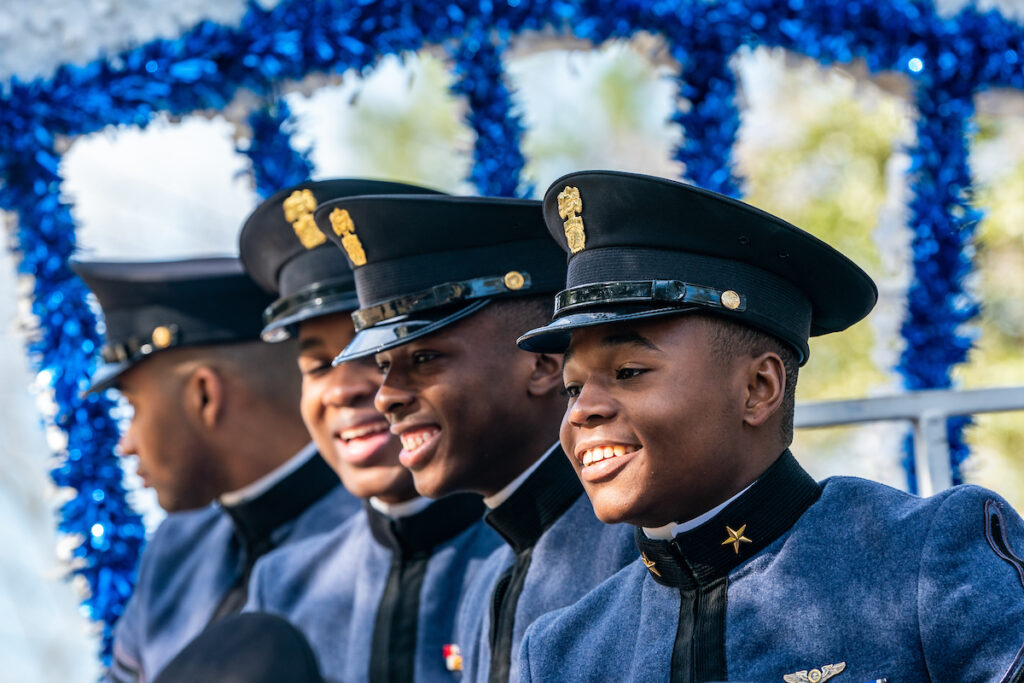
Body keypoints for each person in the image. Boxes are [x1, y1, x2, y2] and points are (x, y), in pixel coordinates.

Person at [514, 169, 1024, 682]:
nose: (581, 411)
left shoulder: (922, 558)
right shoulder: (562, 654)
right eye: (573, 388)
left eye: (628, 372)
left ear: (759, 388)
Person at [313, 193, 638, 682]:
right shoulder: (489, 577)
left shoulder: (637, 552)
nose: (386, 398)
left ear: (543, 365)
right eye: (384, 367)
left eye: (423, 360)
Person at [239, 179, 502, 682]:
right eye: (317, 366)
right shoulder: (287, 586)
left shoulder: (540, 548)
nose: (342, 389)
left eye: (378, 356)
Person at [73, 257, 360, 683]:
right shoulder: (175, 550)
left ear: (205, 394)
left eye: (133, 407)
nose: (125, 443)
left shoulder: (375, 538)